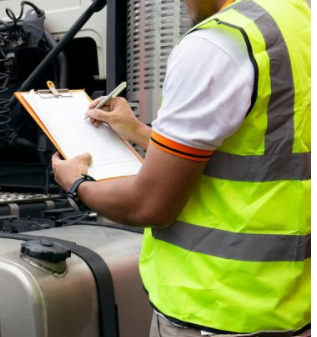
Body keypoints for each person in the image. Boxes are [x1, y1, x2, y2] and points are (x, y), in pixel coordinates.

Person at [51, 0, 311, 336]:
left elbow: (150, 203)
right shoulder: (298, 21)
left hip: (216, 307)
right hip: (293, 305)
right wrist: (139, 132)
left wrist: (76, 184)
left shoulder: (219, 42)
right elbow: (262, 155)